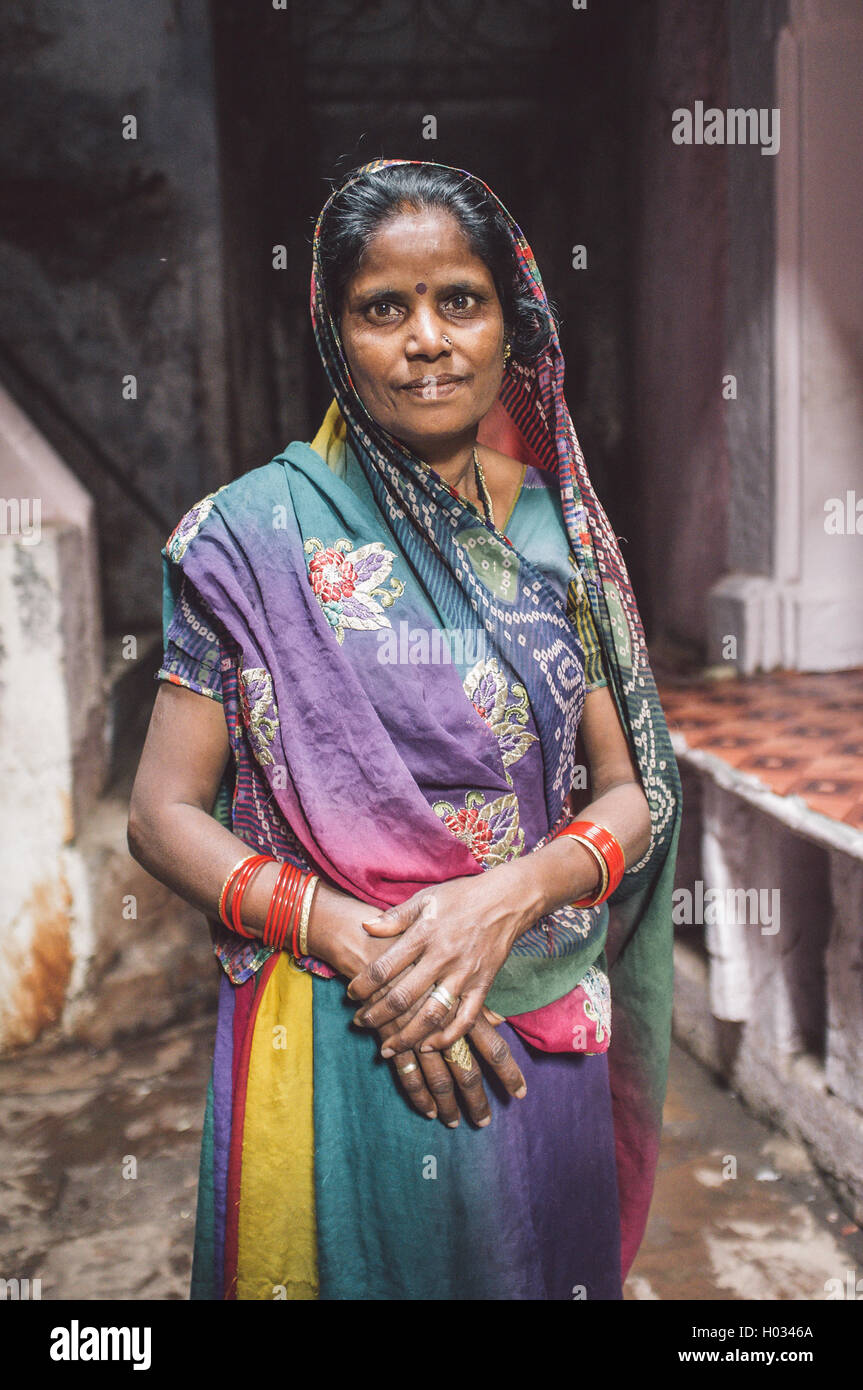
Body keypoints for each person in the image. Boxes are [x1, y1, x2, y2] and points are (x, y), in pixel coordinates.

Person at [128, 158, 682, 1301]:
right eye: (384, 307)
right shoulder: (247, 538)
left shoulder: (555, 531)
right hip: (339, 1021)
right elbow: (160, 813)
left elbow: (632, 790)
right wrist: (356, 941)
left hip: (531, 1014)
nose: (426, 338)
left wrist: (506, 898)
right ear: (335, 334)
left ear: (508, 325)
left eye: (458, 302)